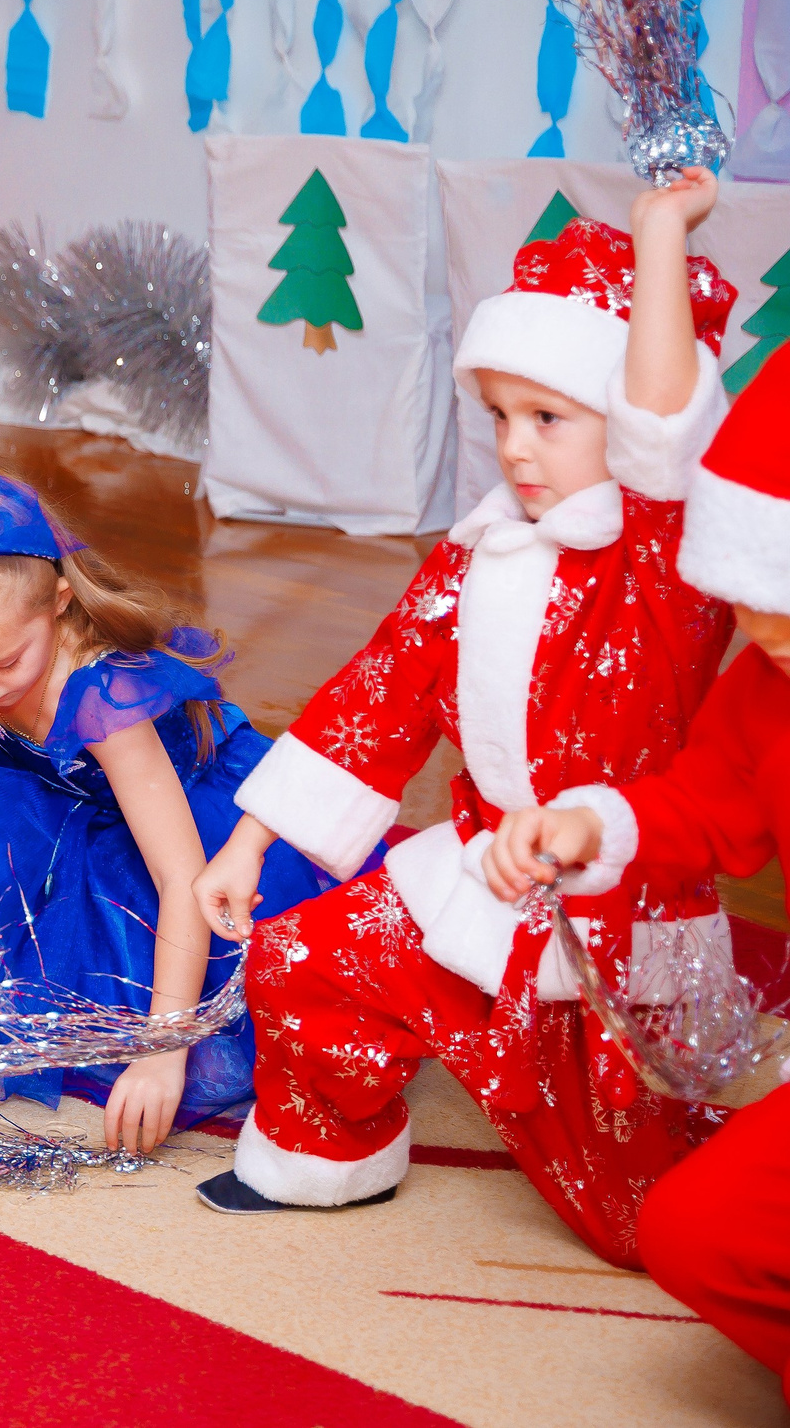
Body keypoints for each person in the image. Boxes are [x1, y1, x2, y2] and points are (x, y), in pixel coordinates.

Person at [191, 174, 739, 1267]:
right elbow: (379, 691)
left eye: (548, 417)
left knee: (642, 1225)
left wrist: (658, 239)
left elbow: (668, 435)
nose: (515, 447)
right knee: (304, 959)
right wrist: (252, 841)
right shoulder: (480, 549)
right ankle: (326, 1158)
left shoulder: (663, 571)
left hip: (604, 922)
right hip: (477, 868)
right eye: (497, 417)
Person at [0, 473, 348, 1152]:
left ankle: (77, 1014)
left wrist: (166, 1048)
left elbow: (181, 877)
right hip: (69, 798)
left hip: (184, 827)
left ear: (59, 602)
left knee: (212, 1059)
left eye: (2, 664)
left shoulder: (105, 695)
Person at [487, 347, 790, 1399]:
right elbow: (708, 802)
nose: (757, 630)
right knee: (691, 1232)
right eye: (744, 597)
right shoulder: (764, 682)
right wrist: (585, 823)